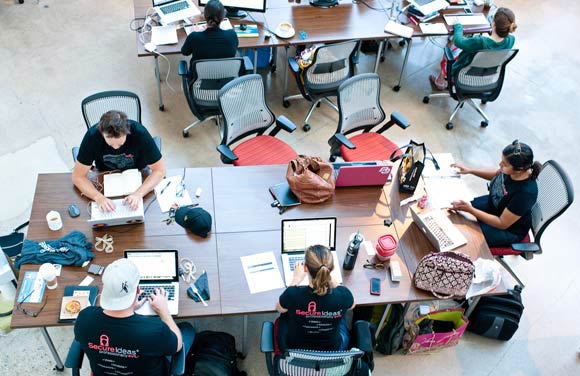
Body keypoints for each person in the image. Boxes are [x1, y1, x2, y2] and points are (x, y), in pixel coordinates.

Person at [74, 258, 194, 376]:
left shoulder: (84, 318)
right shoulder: (154, 330)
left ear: (105, 290)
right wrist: (164, 311)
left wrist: (127, 307)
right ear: (138, 290)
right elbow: (177, 346)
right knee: (187, 329)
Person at [450, 140, 542, 247]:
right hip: (494, 206)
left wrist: (471, 210)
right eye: (502, 161)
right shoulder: (510, 170)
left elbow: (502, 223)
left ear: (520, 169)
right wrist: (470, 171)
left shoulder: (525, 193)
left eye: (505, 164)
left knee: (465, 239)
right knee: (454, 213)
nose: (500, 165)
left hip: (507, 229)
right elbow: (496, 174)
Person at [72, 110, 166, 212]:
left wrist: (139, 193)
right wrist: (98, 197)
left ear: (127, 132)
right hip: (104, 178)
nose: (116, 148)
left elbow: (160, 171)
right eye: (111, 145)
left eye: (120, 144)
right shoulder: (92, 136)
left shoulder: (140, 133)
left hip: (138, 174)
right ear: (102, 133)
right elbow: (77, 177)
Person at [275, 245, 355, 351]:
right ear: (333, 268)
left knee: (284, 315)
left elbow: (279, 308)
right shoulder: (343, 295)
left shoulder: (292, 294)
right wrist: (329, 278)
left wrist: (296, 279)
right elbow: (352, 305)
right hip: (332, 350)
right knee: (342, 314)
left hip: (296, 349)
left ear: (305, 268)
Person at [430, 7, 517, 91]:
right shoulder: (511, 40)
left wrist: (458, 25)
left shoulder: (480, 41)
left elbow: (458, 41)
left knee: (451, 51)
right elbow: (497, 41)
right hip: (486, 78)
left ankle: (440, 83)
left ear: (493, 24)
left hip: (463, 76)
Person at [181, 0, 239, 74]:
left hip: (199, 83)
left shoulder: (194, 37)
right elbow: (234, 48)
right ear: (223, 17)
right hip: (227, 83)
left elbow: (185, 52)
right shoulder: (232, 35)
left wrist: (195, 33)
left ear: (205, 15)